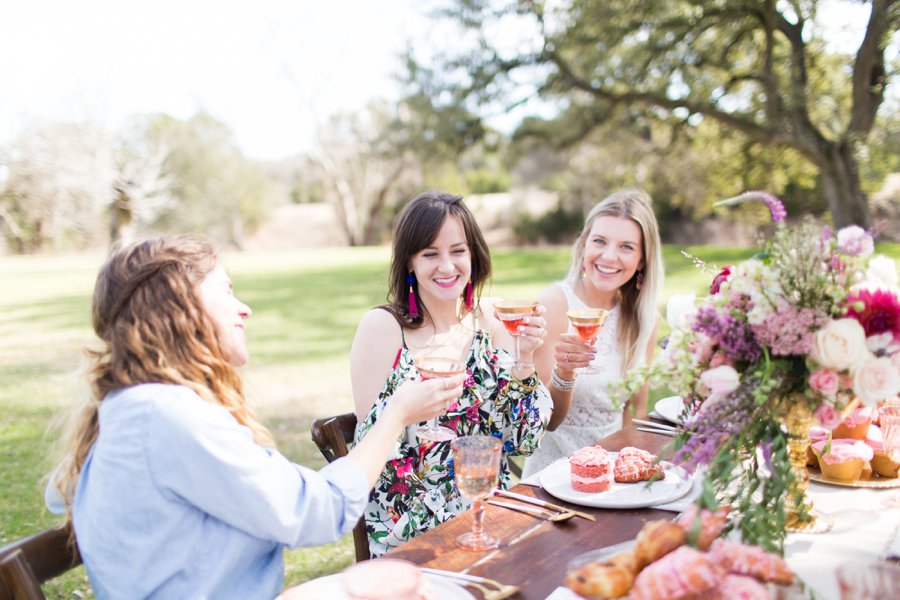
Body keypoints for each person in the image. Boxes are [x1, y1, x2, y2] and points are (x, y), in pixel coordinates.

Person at [45, 236, 453, 600]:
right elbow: (318, 511)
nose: (245, 309)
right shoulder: (165, 416)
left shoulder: (127, 409)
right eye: (227, 291)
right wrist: (395, 415)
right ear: (181, 306)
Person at [350, 190, 552, 557]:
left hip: (494, 515)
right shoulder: (382, 328)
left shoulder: (492, 321)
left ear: (473, 256)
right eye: (430, 254)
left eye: (458, 251)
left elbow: (523, 441)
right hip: (414, 527)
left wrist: (525, 360)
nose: (447, 266)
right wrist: (409, 409)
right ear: (409, 263)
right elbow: (372, 451)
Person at [522, 189, 663, 478]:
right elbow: (544, 421)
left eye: (626, 247)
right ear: (584, 245)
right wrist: (566, 372)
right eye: (599, 241)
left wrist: (630, 474)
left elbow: (635, 412)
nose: (609, 256)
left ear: (642, 261)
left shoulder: (645, 319)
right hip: (552, 478)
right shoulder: (553, 304)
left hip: (609, 479)